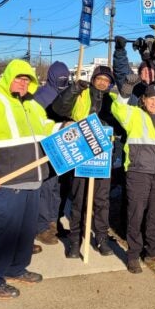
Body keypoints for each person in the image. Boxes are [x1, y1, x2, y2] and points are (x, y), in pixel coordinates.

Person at [0, 59, 59, 299]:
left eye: (27, 79)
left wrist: (66, 127)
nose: (22, 83)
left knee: (25, 232)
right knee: (2, 233)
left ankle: (16, 269)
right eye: (18, 78)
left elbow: (46, 128)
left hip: (32, 181)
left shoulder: (31, 105)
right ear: (8, 78)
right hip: (7, 183)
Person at [51, 65, 126, 259]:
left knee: (101, 201)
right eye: (99, 78)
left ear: (110, 84)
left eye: (106, 80)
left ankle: (101, 237)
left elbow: (122, 122)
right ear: (93, 79)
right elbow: (59, 108)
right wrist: (73, 89)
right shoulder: (82, 94)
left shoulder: (111, 100)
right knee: (79, 199)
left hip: (102, 158)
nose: (102, 82)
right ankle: (76, 240)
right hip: (81, 154)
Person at [109, 82, 155, 273]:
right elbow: (117, 108)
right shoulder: (134, 114)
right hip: (138, 172)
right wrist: (124, 93)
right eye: (151, 99)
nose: (154, 102)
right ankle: (133, 254)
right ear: (144, 100)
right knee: (136, 212)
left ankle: (153, 250)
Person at [32, 60, 71, 248]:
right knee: (45, 188)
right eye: (60, 77)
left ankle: (53, 222)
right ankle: (41, 226)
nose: (63, 80)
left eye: (66, 76)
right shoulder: (40, 96)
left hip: (62, 148)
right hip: (43, 147)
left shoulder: (68, 93)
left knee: (57, 189)